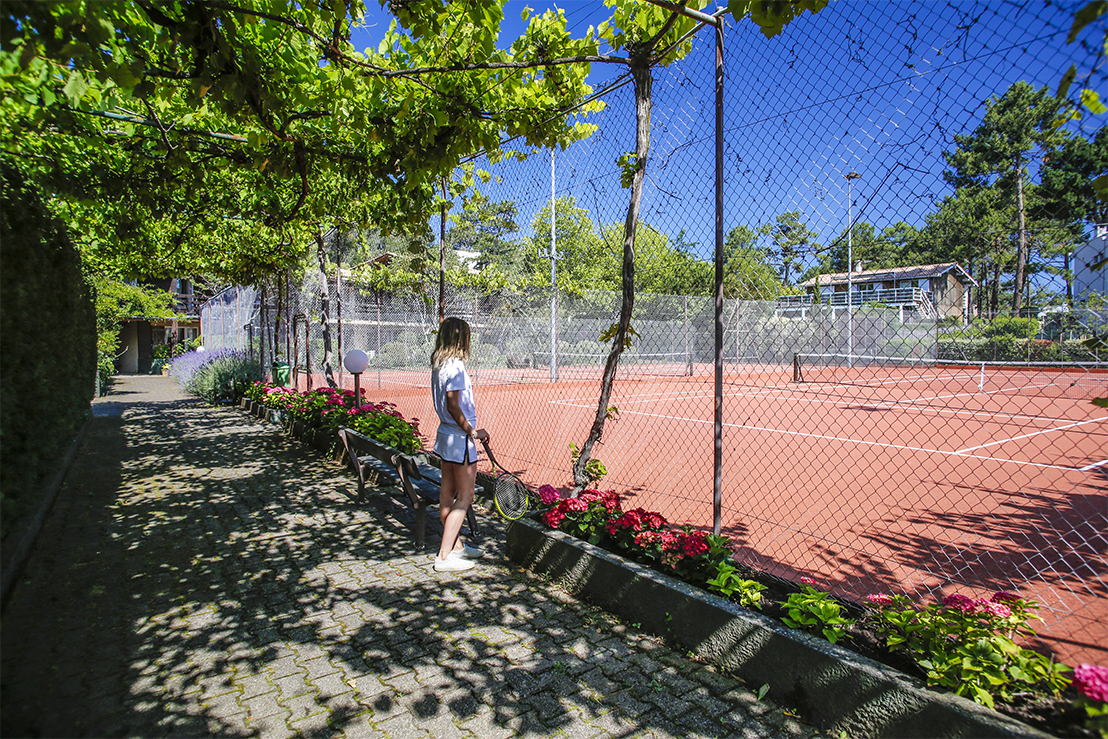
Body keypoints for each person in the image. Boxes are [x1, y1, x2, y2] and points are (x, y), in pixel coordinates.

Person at [430, 317, 488, 572]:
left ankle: (457, 547)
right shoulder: (455, 367)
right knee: (465, 497)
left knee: (447, 495)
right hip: (459, 438)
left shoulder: (439, 364)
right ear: (461, 338)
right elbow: (454, 405)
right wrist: (473, 431)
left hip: (445, 436)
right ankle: (444, 557)